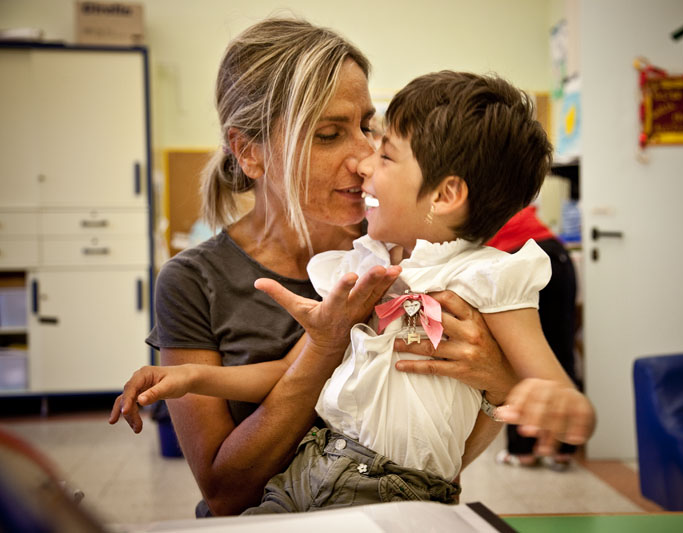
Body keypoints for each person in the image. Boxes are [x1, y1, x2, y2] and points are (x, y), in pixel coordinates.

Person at [113, 71, 596, 513]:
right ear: (250, 151)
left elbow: (544, 377)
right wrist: (191, 379)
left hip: (394, 490)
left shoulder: (486, 277)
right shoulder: (371, 266)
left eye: (382, 149)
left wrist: (553, 400)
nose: (366, 161)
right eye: (330, 133)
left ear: (446, 195)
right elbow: (287, 374)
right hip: (310, 471)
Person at [488, 205, 582, 470]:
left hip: (518, 258)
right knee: (560, 348)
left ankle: (523, 450)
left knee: (518, 355)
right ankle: (563, 448)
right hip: (555, 255)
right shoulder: (508, 186)